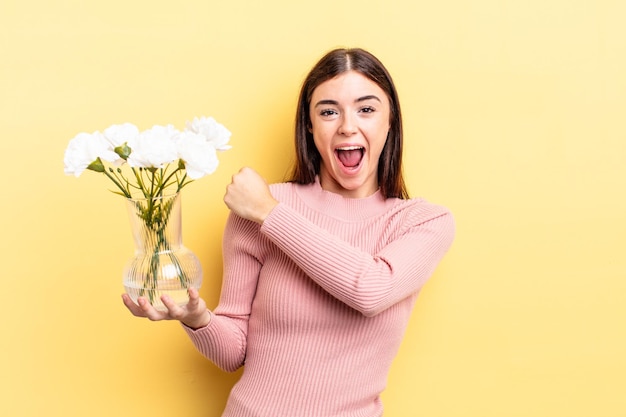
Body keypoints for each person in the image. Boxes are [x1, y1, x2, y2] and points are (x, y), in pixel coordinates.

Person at [123, 47, 455, 417]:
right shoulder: (258, 210)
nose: (347, 126)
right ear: (310, 126)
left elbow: (370, 290)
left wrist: (269, 213)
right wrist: (196, 318)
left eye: (366, 109)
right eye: (328, 111)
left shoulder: (421, 222)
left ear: (389, 121)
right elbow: (234, 352)